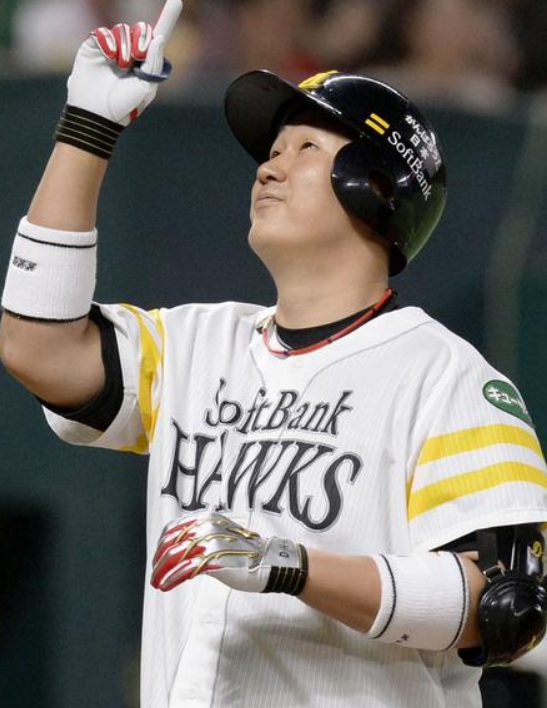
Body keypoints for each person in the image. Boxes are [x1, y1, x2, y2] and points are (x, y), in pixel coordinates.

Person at [1, 1, 547, 706]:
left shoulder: (447, 378)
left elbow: (504, 605)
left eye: (304, 149)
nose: (268, 169)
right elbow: (36, 344)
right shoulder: (194, 343)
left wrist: (291, 565)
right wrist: (86, 128)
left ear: (377, 187)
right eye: (270, 152)